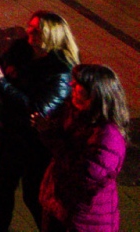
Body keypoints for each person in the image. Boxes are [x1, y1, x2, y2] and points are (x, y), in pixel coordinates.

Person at [0, 10, 78, 232]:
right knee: (3, 191)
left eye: (36, 30)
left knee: (33, 196)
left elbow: (38, 109)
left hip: (34, 144)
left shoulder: (59, 71)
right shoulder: (20, 49)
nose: (29, 31)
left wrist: (1, 83)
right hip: (8, 135)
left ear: (51, 35)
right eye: (30, 26)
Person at [37, 64, 128, 232]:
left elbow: (85, 177)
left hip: (85, 221)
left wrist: (51, 137)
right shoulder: (75, 114)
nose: (71, 84)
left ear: (95, 93)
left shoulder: (108, 136)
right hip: (59, 209)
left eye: (79, 84)